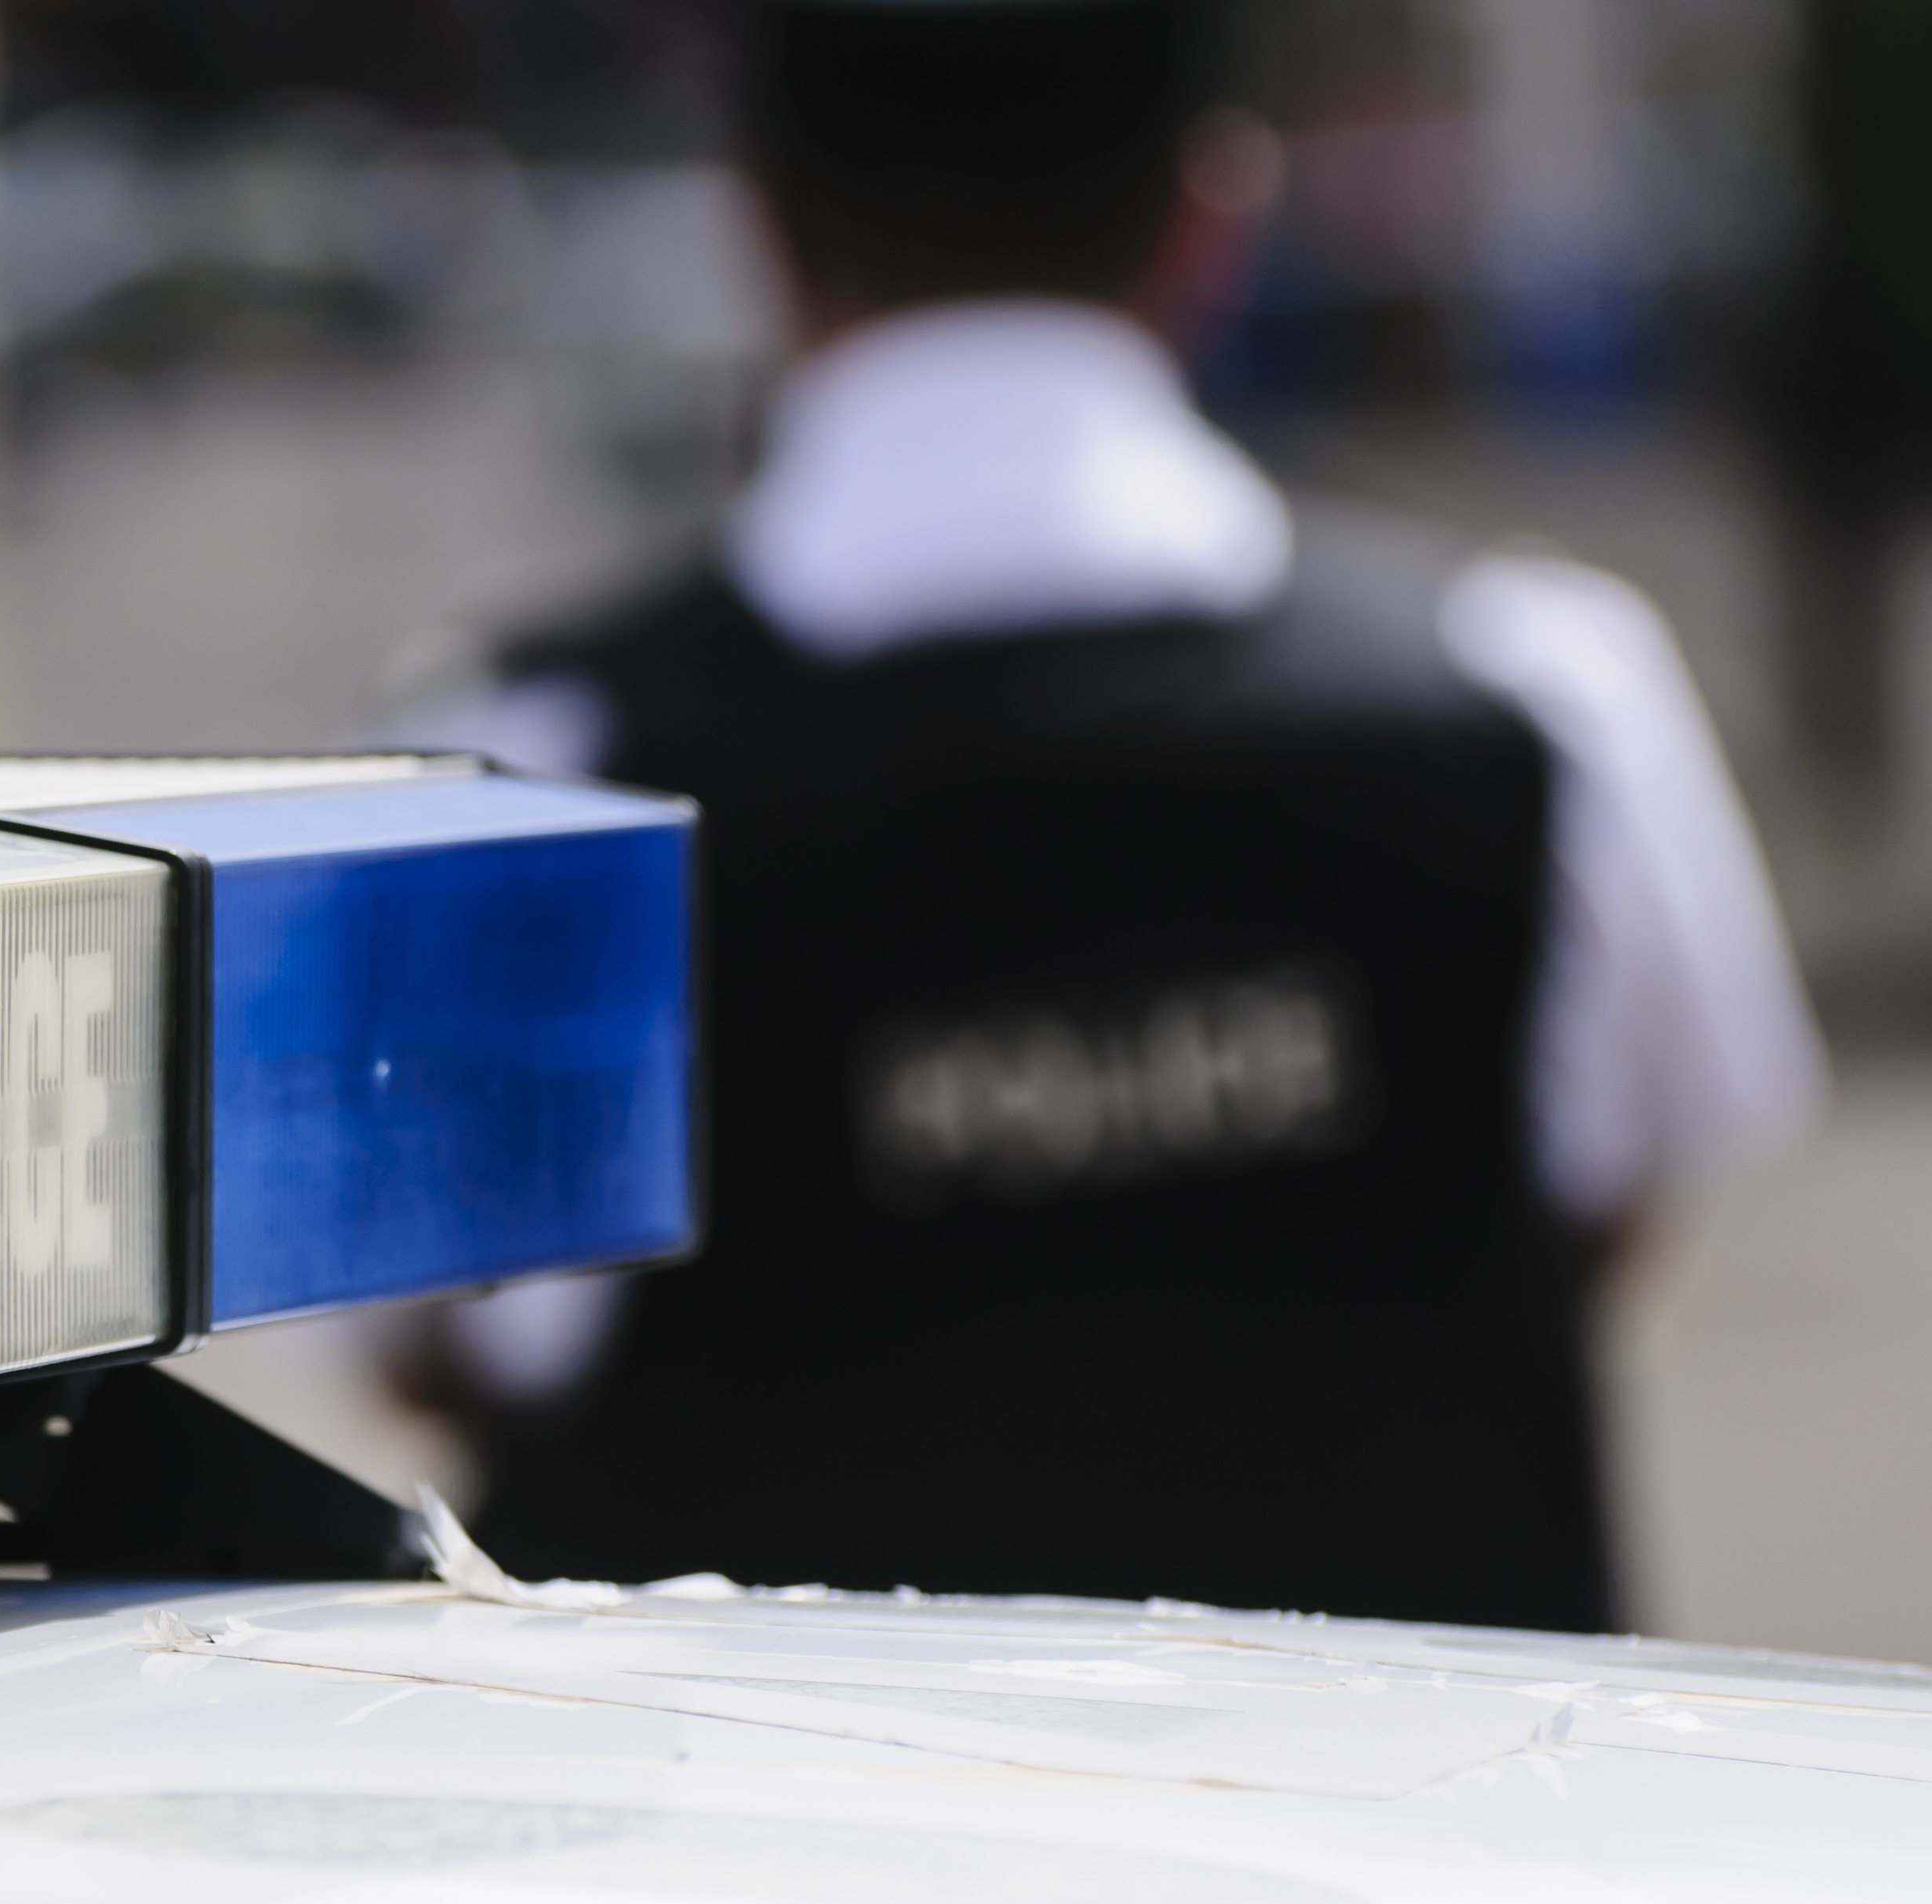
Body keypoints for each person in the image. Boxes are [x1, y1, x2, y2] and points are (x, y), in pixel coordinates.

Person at [405, 0, 1822, 1631]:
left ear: (758, 224)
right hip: (1422, 1850)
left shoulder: (527, 767)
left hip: (750, 1861)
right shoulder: (1529, 696)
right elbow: (1605, 1212)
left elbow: (436, 1342)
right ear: (1213, 215)